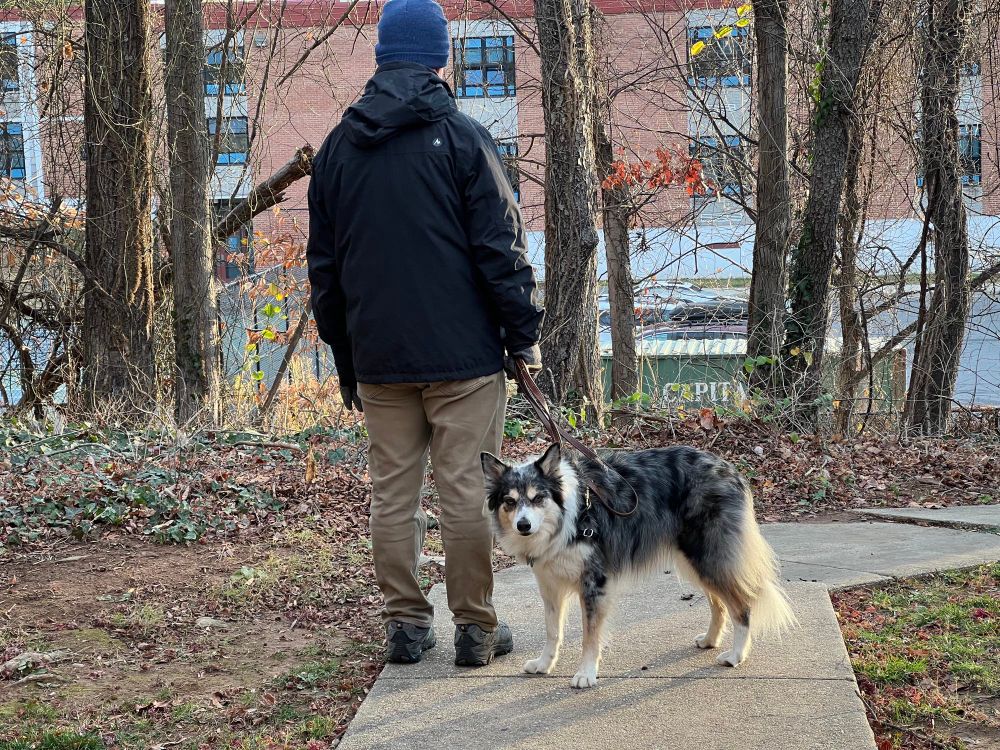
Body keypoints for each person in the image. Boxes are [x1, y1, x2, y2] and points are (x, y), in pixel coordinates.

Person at [306, 0, 544, 667]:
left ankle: (407, 626)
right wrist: (521, 334)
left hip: (379, 360)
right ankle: (475, 627)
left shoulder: (336, 151)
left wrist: (346, 356)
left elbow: (324, 271)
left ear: (382, 56)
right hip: (464, 357)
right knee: (468, 491)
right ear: (441, 59)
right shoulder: (465, 139)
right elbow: (501, 250)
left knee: (394, 496)